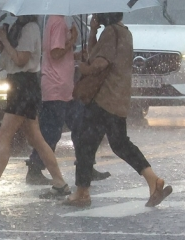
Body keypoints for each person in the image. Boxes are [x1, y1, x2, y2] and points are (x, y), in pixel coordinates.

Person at [65, 13, 172, 208]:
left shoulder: (110, 32)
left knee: (85, 143)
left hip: (103, 99)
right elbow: (97, 53)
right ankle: (153, 180)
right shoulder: (124, 32)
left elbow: (99, 62)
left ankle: (82, 192)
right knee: (120, 144)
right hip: (118, 98)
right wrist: (92, 31)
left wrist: (83, 68)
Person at [0, 15, 70, 200]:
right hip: (17, 83)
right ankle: (60, 183)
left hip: (24, 85)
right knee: (36, 138)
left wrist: (4, 39)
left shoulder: (30, 28)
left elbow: (21, 59)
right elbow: (10, 56)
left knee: (3, 135)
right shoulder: (18, 25)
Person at [24, 15, 107, 184]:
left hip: (66, 88)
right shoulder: (58, 22)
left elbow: (58, 54)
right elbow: (55, 53)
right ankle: (34, 168)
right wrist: (72, 41)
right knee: (51, 131)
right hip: (56, 87)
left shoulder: (57, 22)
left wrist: (75, 54)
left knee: (81, 126)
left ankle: (86, 166)